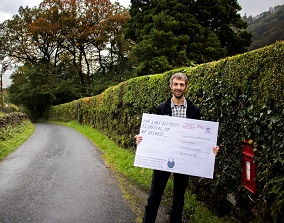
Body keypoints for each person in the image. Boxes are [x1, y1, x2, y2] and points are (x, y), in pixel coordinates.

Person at [134, 72, 220, 223]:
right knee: (154, 197)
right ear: (171, 86)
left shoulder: (194, 110)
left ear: (186, 86)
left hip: (184, 162)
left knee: (179, 199)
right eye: (175, 84)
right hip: (162, 160)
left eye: (181, 84)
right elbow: (153, 133)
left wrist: (211, 149)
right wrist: (141, 139)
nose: (178, 87)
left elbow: (200, 138)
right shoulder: (161, 108)